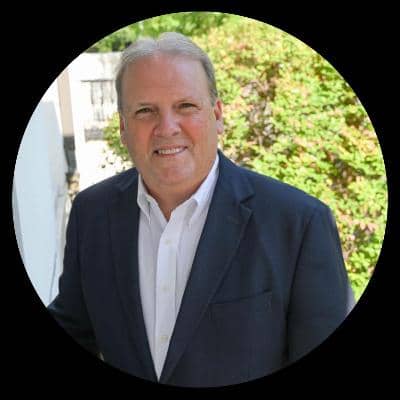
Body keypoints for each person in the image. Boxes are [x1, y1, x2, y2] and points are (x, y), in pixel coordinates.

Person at [48, 32, 355, 387]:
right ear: (122, 127)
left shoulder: (299, 224)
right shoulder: (91, 214)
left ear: (217, 115)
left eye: (186, 106)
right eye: (145, 111)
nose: (167, 128)